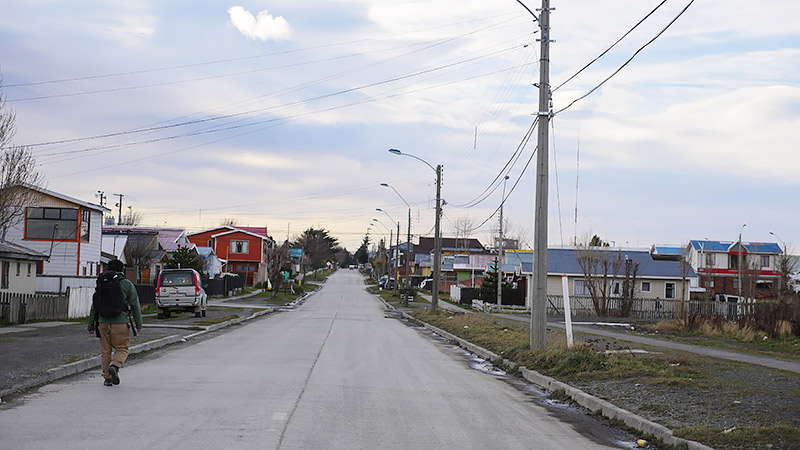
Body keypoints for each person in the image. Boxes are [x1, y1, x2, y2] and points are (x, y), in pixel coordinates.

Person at [87, 259, 142, 386]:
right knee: (122, 348)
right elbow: (135, 305)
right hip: (120, 322)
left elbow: (94, 306)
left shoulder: (102, 282)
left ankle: (107, 378)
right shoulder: (127, 284)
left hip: (102, 322)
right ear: (122, 269)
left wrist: (91, 325)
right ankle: (115, 366)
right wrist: (139, 325)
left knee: (105, 351)